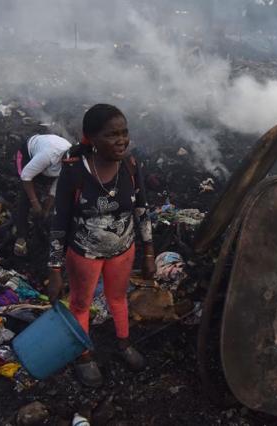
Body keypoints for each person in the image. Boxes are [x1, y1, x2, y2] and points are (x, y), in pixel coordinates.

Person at [47, 104, 156, 387]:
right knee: (80, 304)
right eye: (112, 135)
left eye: (124, 133)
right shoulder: (74, 172)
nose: (122, 140)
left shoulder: (131, 166)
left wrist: (149, 252)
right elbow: (59, 220)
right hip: (85, 253)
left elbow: (143, 209)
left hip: (123, 250)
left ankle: (123, 344)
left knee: (117, 298)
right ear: (91, 139)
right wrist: (55, 269)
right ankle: (84, 356)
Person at [14, 134, 72, 256]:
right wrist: (35, 203)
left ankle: (37, 225)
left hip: (49, 165)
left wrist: (46, 208)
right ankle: (21, 236)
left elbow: (57, 187)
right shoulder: (48, 155)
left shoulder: (74, 166)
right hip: (28, 153)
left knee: (43, 196)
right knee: (25, 195)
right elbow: (26, 176)